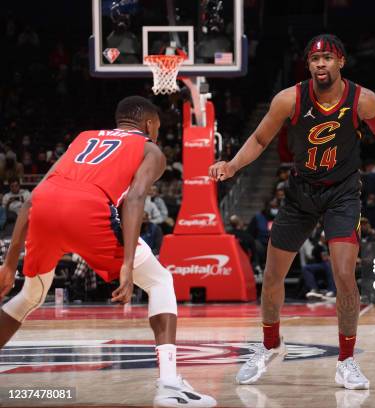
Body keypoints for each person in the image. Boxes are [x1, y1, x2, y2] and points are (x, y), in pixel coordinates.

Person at [209, 34, 375, 389]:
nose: (320, 65)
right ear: (308, 65)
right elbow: (260, 139)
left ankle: (346, 361)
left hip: (343, 194)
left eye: (327, 58)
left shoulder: (362, 99)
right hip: (300, 193)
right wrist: (233, 166)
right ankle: (270, 346)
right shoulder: (289, 99)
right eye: (315, 60)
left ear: (340, 62)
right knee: (271, 276)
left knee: (344, 274)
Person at [0, 96, 215, 408]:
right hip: (87, 210)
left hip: (45, 206)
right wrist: (127, 263)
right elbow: (136, 196)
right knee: (160, 282)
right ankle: (169, 385)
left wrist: (9, 265)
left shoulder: (85, 137)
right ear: (150, 124)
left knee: (30, 296)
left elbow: (34, 196)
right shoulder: (150, 149)